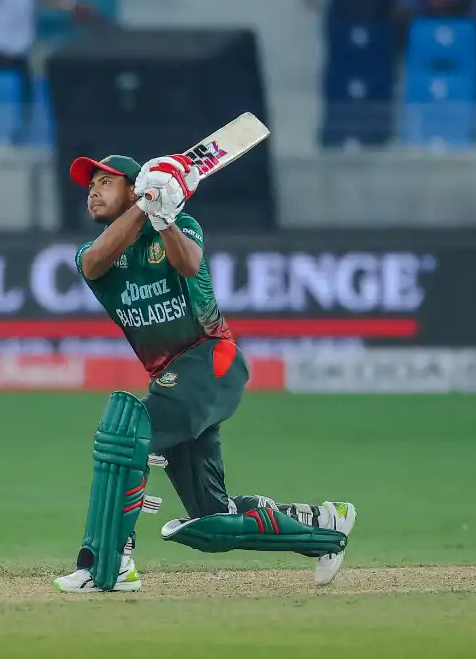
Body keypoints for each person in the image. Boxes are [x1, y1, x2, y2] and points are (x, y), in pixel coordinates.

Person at [53, 154, 357, 593]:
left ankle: (110, 562)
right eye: (90, 186)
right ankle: (323, 527)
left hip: (210, 360)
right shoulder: (91, 254)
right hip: (173, 380)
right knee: (213, 520)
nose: (93, 191)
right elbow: (97, 261)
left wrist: (163, 215)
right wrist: (144, 205)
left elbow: (189, 264)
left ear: (133, 186)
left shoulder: (183, 226)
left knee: (126, 435)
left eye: (105, 182)